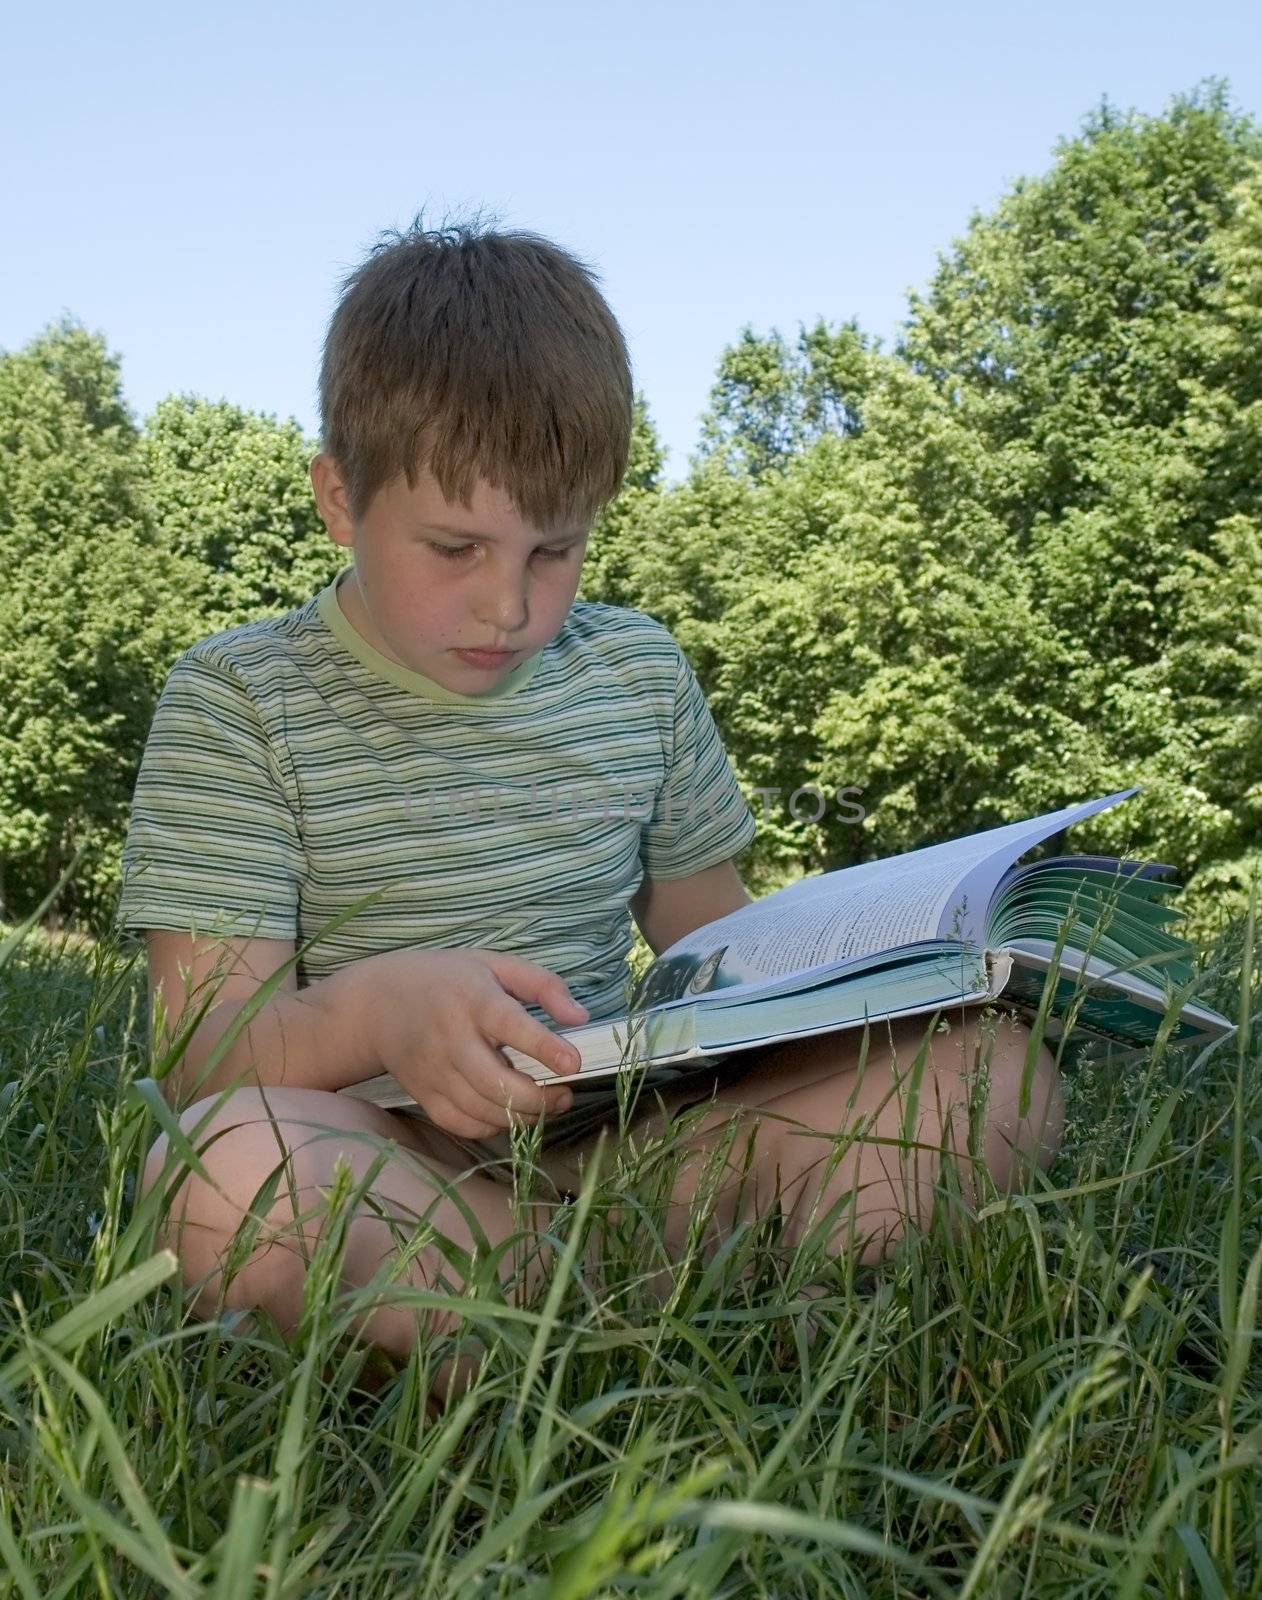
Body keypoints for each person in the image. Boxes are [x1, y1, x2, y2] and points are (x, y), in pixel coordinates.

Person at [118, 213, 1064, 1413]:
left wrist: (895, 985)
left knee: (999, 1070)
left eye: (554, 550)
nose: (508, 604)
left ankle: (614, 1313)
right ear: (339, 498)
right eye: (455, 547)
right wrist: (378, 1011)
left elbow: (715, 947)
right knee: (219, 1175)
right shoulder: (239, 700)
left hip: (629, 1153)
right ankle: (663, 1319)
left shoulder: (634, 674)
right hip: (394, 1163)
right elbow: (211, 1054)